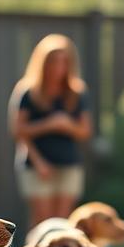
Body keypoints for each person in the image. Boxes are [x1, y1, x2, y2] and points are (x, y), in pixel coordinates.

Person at [8, 34, 92, 223]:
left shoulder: (77, 92)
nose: (58, 68)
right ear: (42, 62)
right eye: (54, 62)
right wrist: (48, 125)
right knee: (41, 221)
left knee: (62, 222)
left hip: (69, 164)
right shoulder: (28, 92)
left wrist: (67, 125)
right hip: (36, 164)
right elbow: (18, 131)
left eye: (64, 62)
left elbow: (85, 131)